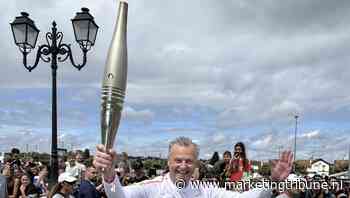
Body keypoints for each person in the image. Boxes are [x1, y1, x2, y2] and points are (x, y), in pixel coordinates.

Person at [94, 136, 293, 198]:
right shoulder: (152, 187)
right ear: (168, 162)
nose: (183, 166)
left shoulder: (206, 191)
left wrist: (273, 180)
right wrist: (109, 174)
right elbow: (118, 196)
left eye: (188, 161)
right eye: (178, 160)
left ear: (196, 163)